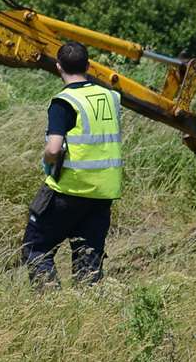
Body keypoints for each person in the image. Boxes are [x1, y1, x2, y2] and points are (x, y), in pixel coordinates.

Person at [20, 40, 124, 285]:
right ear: (88, 65)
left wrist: (48, 162)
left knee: (36, 248)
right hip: (102, 192)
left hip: (68, 190)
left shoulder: (64, 102)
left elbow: (54, 148)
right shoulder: (111, 97)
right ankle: (87, 313)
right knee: (88, 258)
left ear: (58, 67)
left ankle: (50, 307)